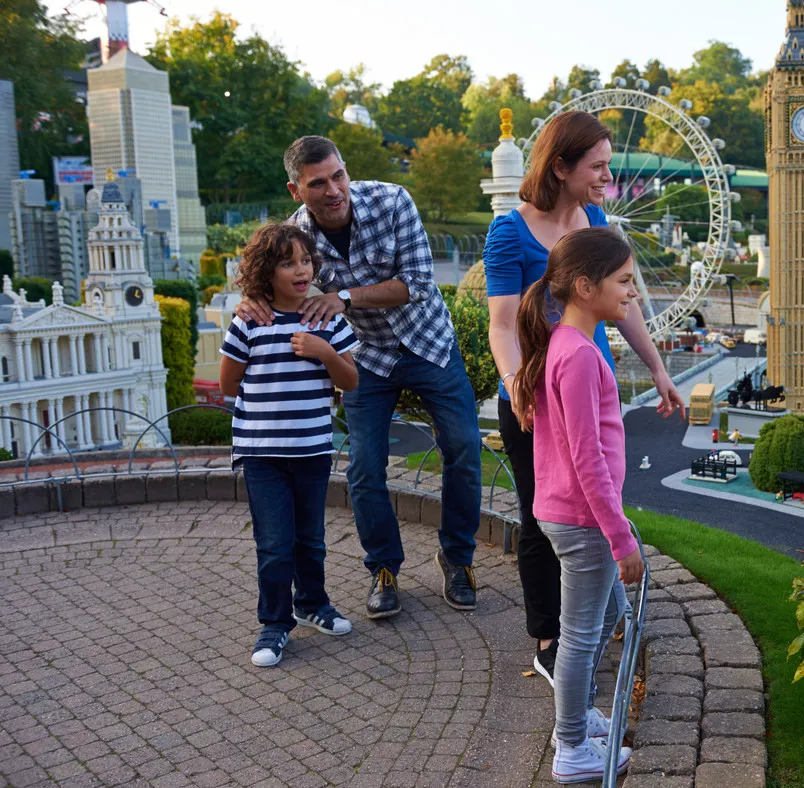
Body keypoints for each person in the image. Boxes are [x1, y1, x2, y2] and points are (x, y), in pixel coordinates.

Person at [237, 136, 481, 619]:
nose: (334, 190)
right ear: (295, 190)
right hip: (366, 356)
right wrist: (251, 301)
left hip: (427, 342)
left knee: (464, 448)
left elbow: (416, 284)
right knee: (365, 469)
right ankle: (383, 569)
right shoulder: (295, 234)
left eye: (339, 175)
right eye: (318, 183)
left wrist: (342, 297)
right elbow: (262, 278)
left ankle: (457, 559)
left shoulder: (392, 201)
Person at [483, 111, 684, 685]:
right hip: (532, 399)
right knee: (542, 517)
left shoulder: (595, 219)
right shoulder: (509, 232)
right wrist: (521, 388)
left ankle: (598, 609)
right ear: (560, 166)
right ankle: (550, 637)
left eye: (609, 165)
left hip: (583, 388)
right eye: (597, 167)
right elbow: (502, 325)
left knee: (595, 497)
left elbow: (625, 305)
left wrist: (658, 369)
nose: (607, 178)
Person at [513, 227, 639, 783]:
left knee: (606, 615)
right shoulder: (581, 356)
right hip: (584, 520)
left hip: (569, 512)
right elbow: (587, 459)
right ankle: (571, 748)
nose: (632, 293)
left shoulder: (560, 345)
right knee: (582, 636)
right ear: (586, 287)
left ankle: (580, 715)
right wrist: (620, 537)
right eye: (624, 281)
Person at [219, 224, 361, 667]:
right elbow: (228, 382)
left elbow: (351, 380)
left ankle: (312, 603)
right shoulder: (248, 321)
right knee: (276, 543)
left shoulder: (327, 321)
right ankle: (275, 624)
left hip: (312, 450)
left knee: (310, 540)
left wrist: (324, 352)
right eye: (287, 263)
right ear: (266, 272)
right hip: (262, 454)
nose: (300, 270)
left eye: (305, 260)